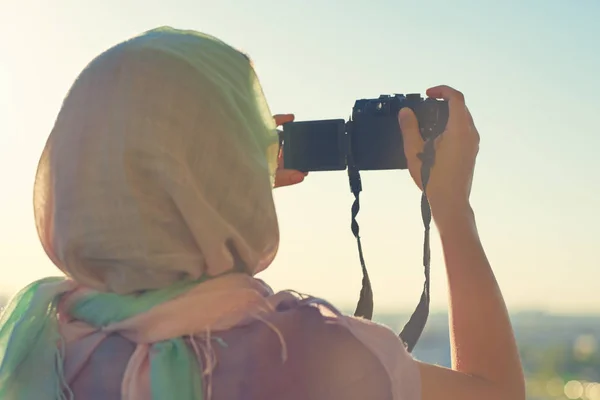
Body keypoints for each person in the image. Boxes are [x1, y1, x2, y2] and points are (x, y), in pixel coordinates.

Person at [0, 27, 525, 400]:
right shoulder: (308, 354)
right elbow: (495, 393)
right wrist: (452, 208)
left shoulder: (33, 347)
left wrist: (215, 177)